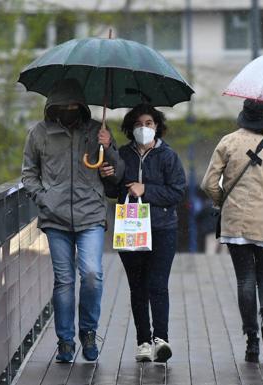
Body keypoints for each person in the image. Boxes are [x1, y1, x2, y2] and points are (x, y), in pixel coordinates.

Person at [21, 79, 125, 363]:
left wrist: (109, 147)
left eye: (74, 106)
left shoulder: (97, 131)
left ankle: (89, 332)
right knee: (64, 281)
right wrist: (43, 198)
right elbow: (28, 173)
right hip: (55, 218)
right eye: (63, 106)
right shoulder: (39, 134)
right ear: (52, 107)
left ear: (82, 106)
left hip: (90, 214)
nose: (69, 110)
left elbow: (117, 175)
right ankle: (65, 341)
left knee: (92, 275)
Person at [201, 99, 263, 362]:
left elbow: (208, 183)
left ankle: (251, 339)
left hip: (235, 222)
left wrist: (220, 201)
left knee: (245, 280)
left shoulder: (228, 142)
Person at [101, 103, 186, 362]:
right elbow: (112, 192)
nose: (144, 128)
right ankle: (143, 342)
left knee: (158, 285)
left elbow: (177, 192)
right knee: (137, 287)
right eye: (138, 124)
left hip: (162, 229)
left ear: (157, 126)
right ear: (130, 128)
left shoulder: (168, 157)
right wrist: (107, 175)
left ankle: (161, 339)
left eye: (149, 123)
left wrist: (145, 189)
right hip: (130, 229)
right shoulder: (122, 155)